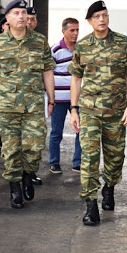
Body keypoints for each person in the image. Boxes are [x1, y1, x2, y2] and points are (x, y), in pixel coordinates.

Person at [69, 0, 127, 226]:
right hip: (89, 111)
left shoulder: (122, 42)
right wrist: (74, 109)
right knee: (89, 158)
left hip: (116, 111)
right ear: (89, 21)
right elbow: (76, 78)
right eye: (97, 16)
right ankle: (91, 204)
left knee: (115, 157)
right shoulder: (82, 46)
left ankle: (109, 186)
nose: (102, 19)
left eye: (105, 15)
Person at [0, 0, 56, 209]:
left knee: (34, 147)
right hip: (7, 106)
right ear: (7, 18)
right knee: (11, 149)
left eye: (24, 13)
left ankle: (27, 173)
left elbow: (47, 70)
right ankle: (15, 186)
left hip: (33, 105)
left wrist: (51, 98)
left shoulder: (39, 41)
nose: (21, 17)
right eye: (16, 13)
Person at [48, 17, 82, 174]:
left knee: (81, 131)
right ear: (63, 31)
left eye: (77, 30)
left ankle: (78, 163)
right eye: (72, 30)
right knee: (56, 131)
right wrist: (50, 98)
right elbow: (47, 73)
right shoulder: (55, 50)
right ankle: (54, 162)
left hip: (78, 100)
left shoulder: (82, 49)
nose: (75, 33)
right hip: (59, 100)